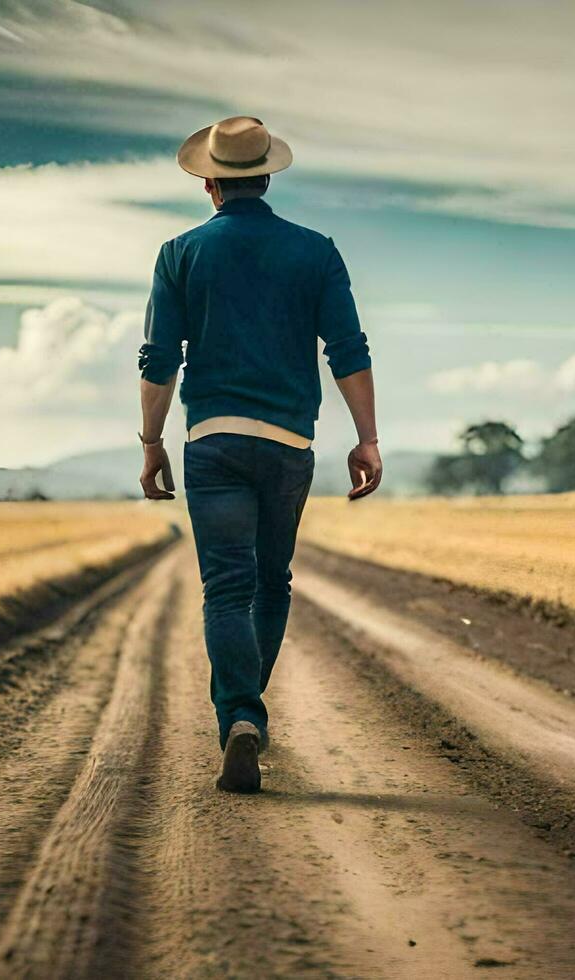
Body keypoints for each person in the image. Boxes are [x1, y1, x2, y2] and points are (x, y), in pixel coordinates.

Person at [136, 116, 381, 793]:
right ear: (267, 176)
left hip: (210, 442)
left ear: (209, 182)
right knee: (272, 583)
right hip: (287, 444)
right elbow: (348, 350)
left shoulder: (178, 254)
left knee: (226, 588)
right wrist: (367, 436)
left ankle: (239, 713)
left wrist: (152, 442)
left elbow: (159, 360)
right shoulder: (316, 251)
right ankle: (245, 713)